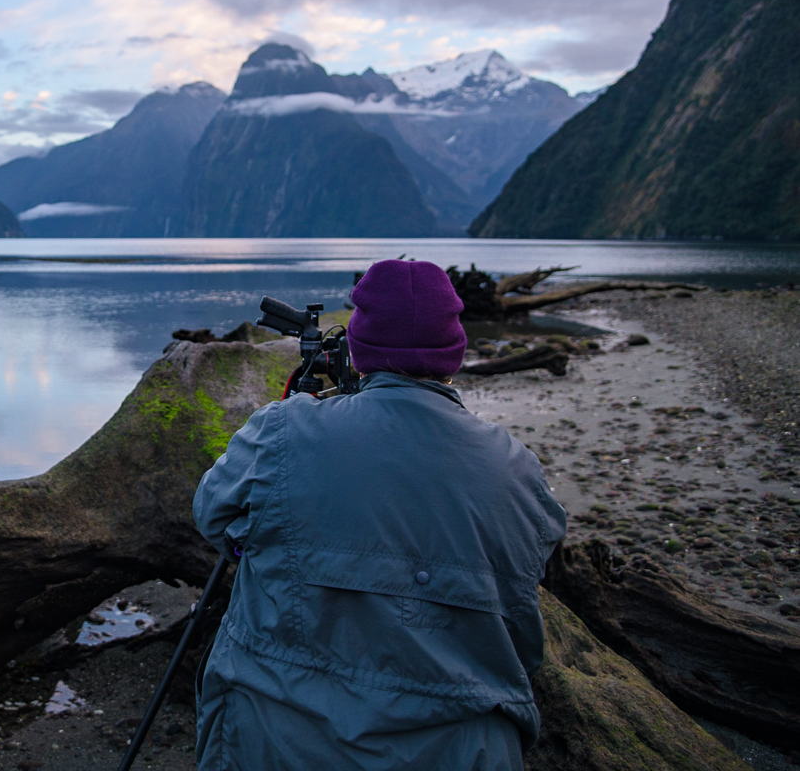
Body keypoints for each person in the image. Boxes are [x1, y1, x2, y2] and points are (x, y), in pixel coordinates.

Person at [193, 259, 566, 770]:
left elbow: (214, 516)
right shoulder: (519, 470)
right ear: (452, 357)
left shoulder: (283, 431)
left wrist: (264, 542)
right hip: (463, 748)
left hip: (280, 733)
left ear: (358, 351)